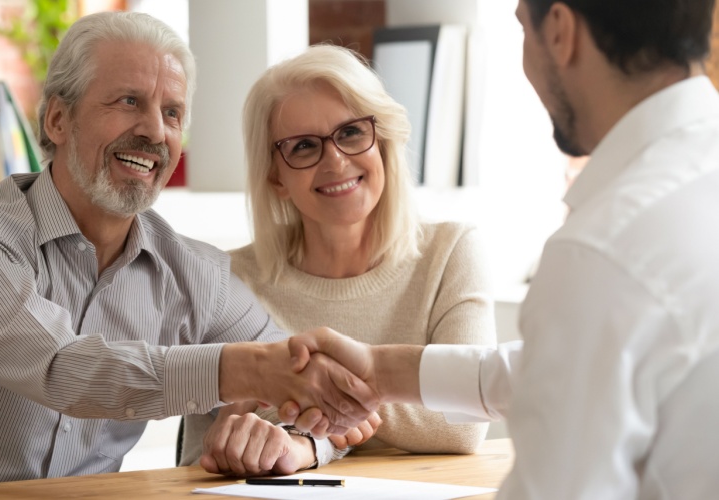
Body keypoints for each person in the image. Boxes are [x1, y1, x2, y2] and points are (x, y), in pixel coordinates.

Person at [0, 12, 379, 494]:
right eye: (128, 101)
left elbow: (312, 390)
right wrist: (251, 370)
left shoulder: (196, 274)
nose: (154, 131)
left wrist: (302, 441)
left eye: (172, 112)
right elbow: (64, 368)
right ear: (58, 121)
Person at [286, 0, 719, 498]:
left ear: (559, 31)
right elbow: (575, 365)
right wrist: (382, 371)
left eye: (520, 29)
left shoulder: (603, 250)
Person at [180, 44, 496, 476]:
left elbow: (464, 421)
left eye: (350, 133)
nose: (335, 161)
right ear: (276, 176)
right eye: (305, 146)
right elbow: (201, 454)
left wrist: (309, 428)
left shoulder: (451, 252)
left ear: (382, 140)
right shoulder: (225, 280)